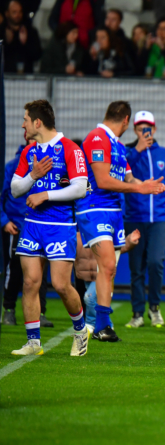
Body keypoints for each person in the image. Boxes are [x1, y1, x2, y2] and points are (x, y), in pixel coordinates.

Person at [78, 101, 165, 342]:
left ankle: (101, 324)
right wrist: (139, 190)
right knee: (106, 266)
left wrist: (149, 186)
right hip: (95, 208)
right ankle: (96, 323)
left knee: (109, 269)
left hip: (113, 211)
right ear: (126, 120)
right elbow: (103, 180)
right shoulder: (98, 137)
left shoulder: (117, 145)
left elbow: (129, 177)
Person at [10, 100, 90, 357]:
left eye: (25, 119)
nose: (22, 123)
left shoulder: (70, 149)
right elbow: (15, 189)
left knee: (61, 284)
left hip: (59, 226)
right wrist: (32, 176)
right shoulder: (28, 152)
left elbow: (80, 187)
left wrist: (45, 194)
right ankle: (33, 343)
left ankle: (80, 332)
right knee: (31, 282)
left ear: (37, 122)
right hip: (32, 225)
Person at [124, 111, 165, 329]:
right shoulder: (128, 153)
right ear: (135, 131)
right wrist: (137, 149)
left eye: (147, 127)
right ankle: (137, 313)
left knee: (155, 262)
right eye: (140, 128)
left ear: (155, 129)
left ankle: (155, 307)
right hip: (134, 217)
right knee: (136, 266)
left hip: (160, 219)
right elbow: (120, 171)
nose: (144, 131)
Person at [1, 139, 50, 328]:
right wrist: (4, 221)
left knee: (41, 272)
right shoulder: (13, 165)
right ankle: (9, 310)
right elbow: (4, 195)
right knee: (13, 269)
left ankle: (41, 313)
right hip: (17, 226)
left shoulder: (51, 162)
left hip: (40, 225)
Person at [1, 0, 41, 74]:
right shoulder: (1, 31)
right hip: (5, 75)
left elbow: (37, 55)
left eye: (20, 12)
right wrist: (7, 42)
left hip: (26, 76)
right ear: (7, 13)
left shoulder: (31, 32)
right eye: (14, 12)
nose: (18, 15)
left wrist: (25, 43)